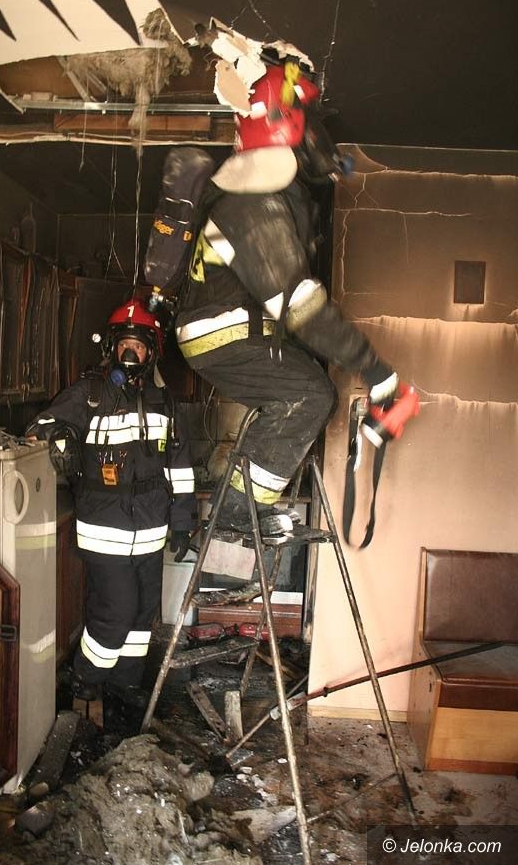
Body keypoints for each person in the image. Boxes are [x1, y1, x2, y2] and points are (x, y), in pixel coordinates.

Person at [175, 60, 399, 536]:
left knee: (303, 387)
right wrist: (375, 369)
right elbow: (299, 305)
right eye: (311, 129)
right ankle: (236, 510)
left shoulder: (256, 198)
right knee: (309, 394)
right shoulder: (256, 203)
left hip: (222, 328)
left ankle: (246, 503)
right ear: (287, 129)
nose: (320, 144)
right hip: (225, 332)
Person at [27, 298, 197, 702]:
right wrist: (62, 436)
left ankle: (125, 683)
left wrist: (182, 522)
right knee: (115, 611)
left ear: (151, 352)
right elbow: (41, 426)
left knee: (141, 613)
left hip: (151, 530)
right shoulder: (89, 393)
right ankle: (85, 678)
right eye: (124, 345)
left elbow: (179, 465)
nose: (130, 353)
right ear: (112, 348)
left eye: (138, 346)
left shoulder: (163, 401)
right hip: (105, 530)